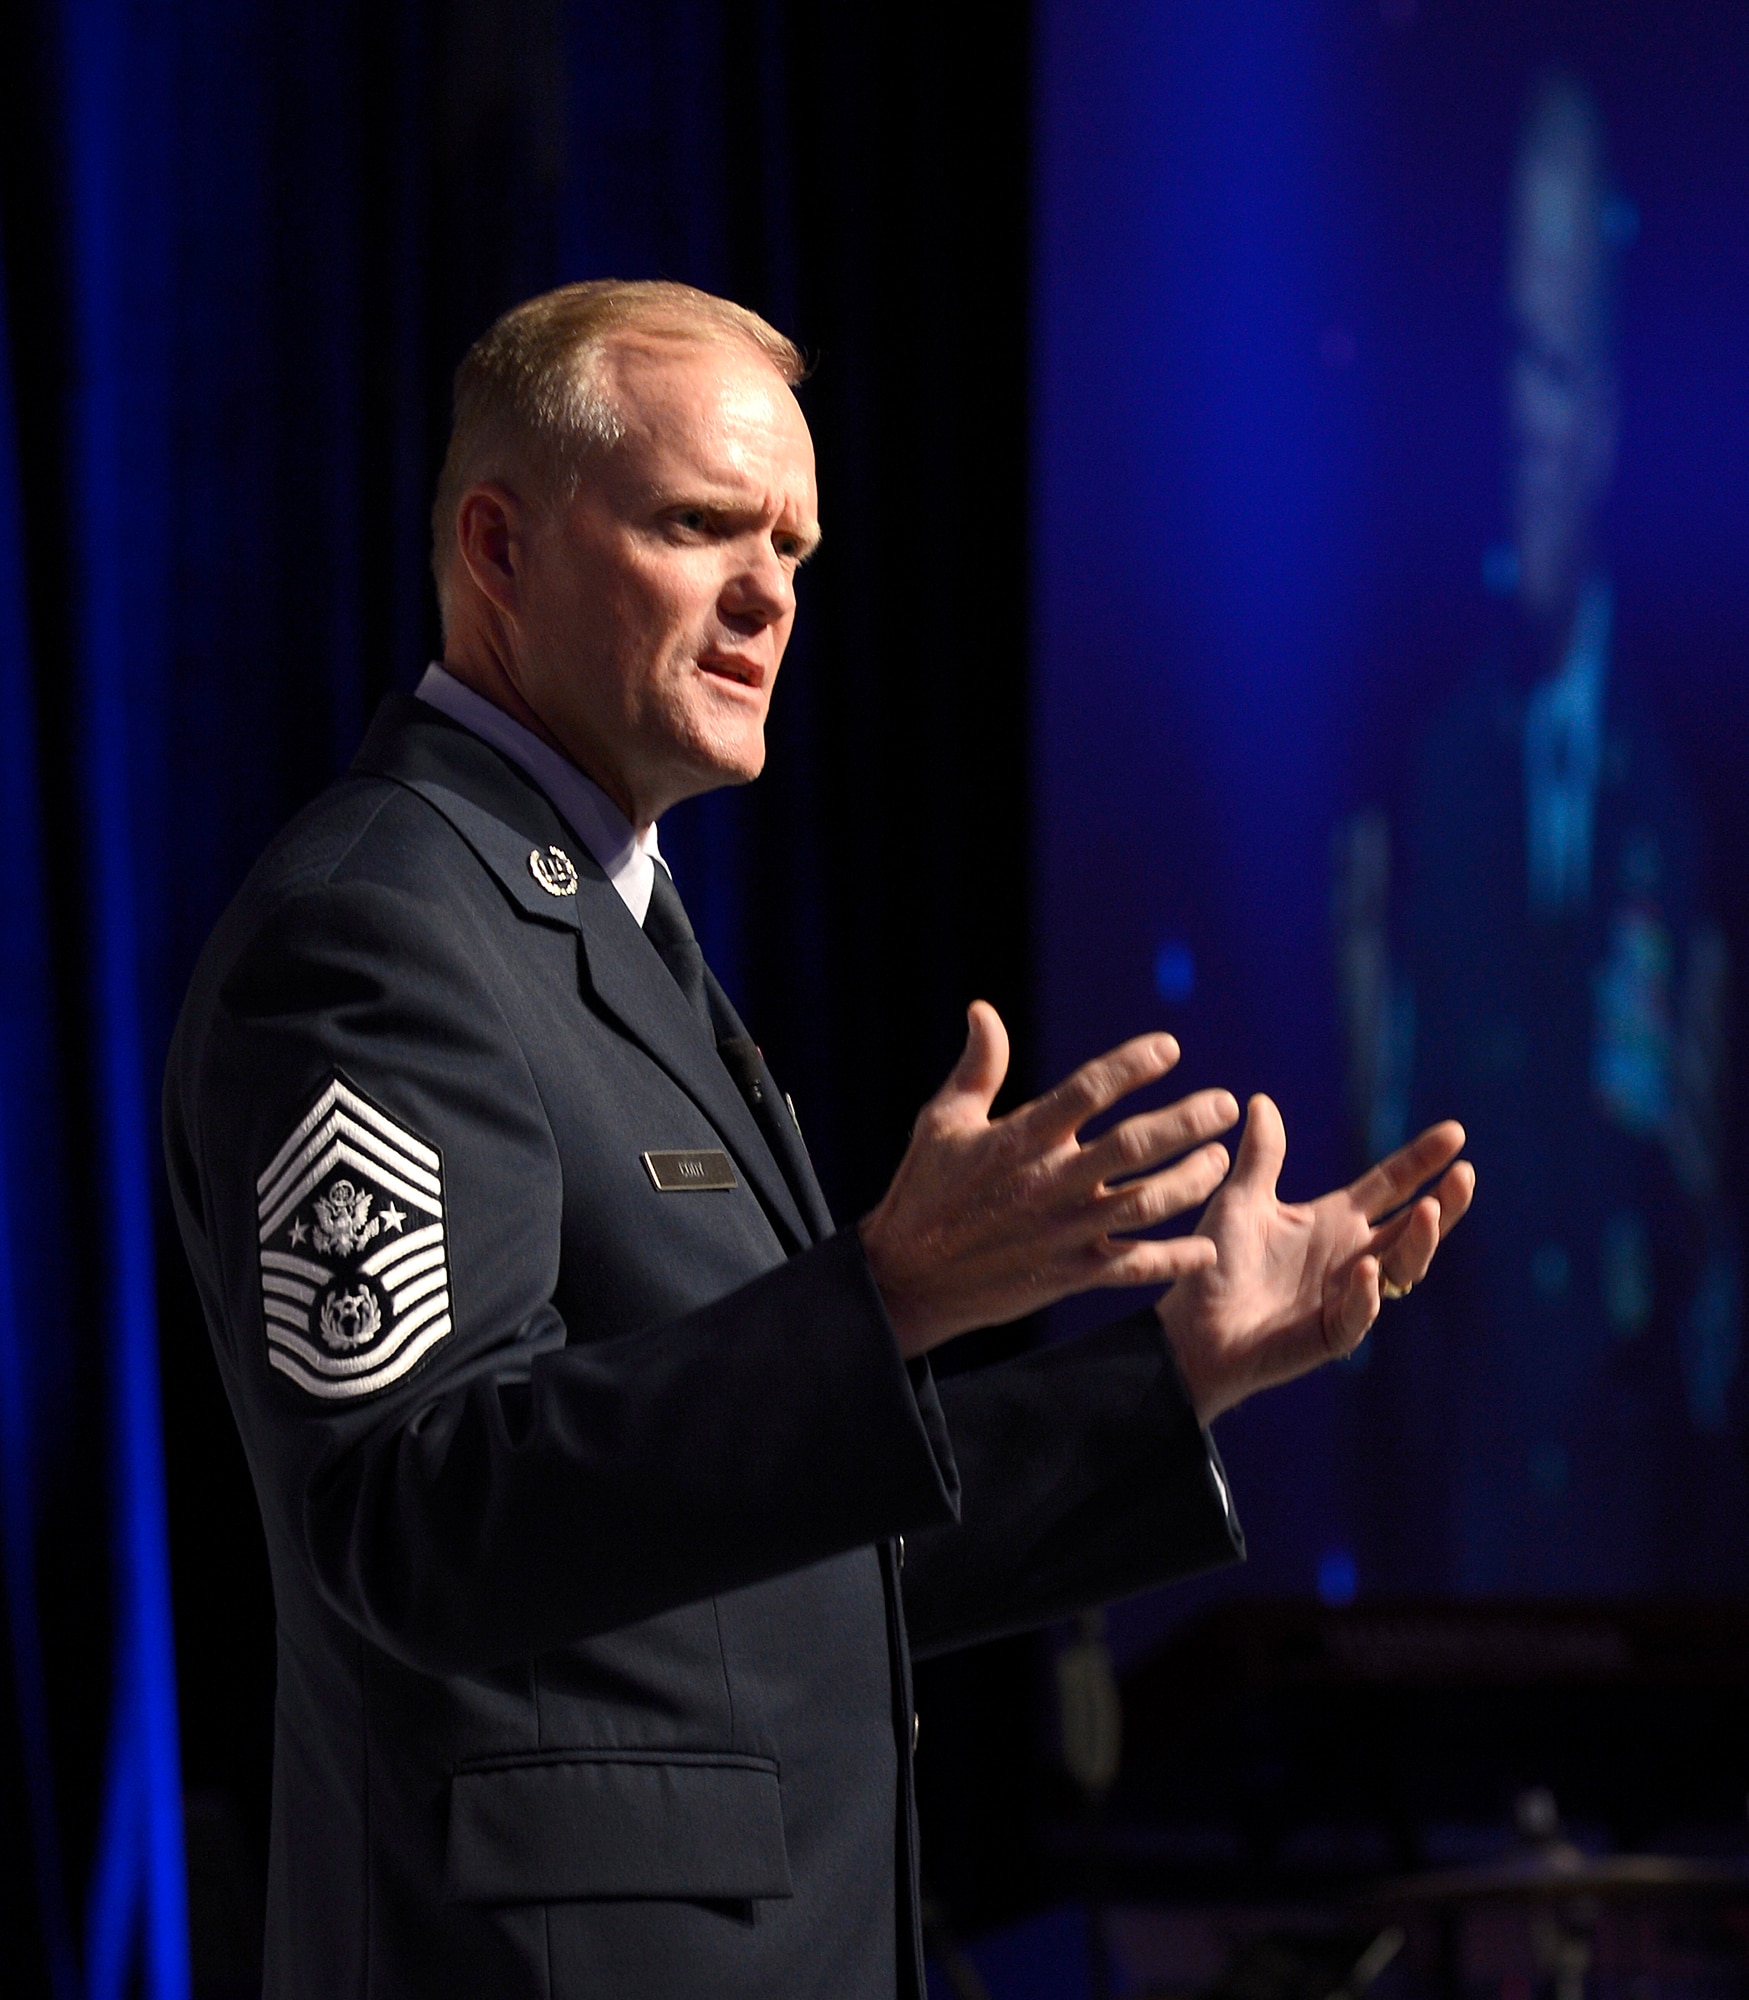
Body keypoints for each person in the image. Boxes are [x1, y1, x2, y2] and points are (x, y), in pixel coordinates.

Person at [164, 279, 1472, 1999]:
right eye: (702, 524)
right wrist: (878, 1299)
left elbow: (773, 1567)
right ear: (499, 549)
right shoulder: (378, 931)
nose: (770, 592)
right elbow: (413, 1525)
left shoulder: (609, 930)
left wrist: (1171, 1373)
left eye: (794, 542)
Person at [1338, 79, 1740, 1594]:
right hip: (1452, 1556)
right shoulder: (1399, 767)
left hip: (1679, 1572)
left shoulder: (1690, 777)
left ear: (1623, 401)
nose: (1525, 430)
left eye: (1558, 369)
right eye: (1500, 365)